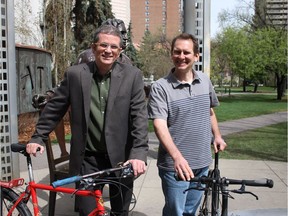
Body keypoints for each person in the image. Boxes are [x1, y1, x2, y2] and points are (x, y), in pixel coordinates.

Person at [26, 24, 149, 216]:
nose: (108, 50)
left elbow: (139, 117)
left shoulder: (133, 76)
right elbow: (55, 107)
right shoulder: (75, 74)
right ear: (93, 47)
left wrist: (139, 153)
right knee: (88, 212)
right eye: (103, 45)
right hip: (87, 159)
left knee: (120, 212)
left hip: (121, 159)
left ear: (120, 51)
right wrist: (38, 136)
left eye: (114, 47)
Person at [147, 33, 227, 216]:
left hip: (202, 162)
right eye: (177, 52)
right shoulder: (161, 87)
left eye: (186, 52)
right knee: (176, 211)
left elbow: (209, 111)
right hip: (175, 166)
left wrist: (217, 136)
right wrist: (177, 157)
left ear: (196, 56)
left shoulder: (205, 81)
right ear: (171, 54)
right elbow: (159, 126)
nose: (181, 56)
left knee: (191, 211)